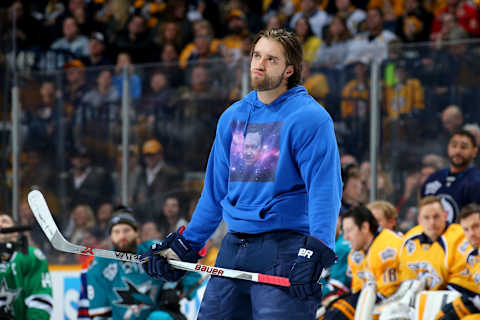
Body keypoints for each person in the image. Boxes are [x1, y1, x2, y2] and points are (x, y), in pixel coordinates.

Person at [141, 28, 342, 320]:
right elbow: (215, 192)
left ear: (290, 70)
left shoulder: (310, 118)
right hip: (233, 248)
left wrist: (318, 248)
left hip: (284, 250)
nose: (259, 64)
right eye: (256, 55)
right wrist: (187, 244)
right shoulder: (232, 117)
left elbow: (325, 189)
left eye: (271, 59)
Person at [86, 206, 200, 319]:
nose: (122, 236)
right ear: (110, 236)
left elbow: (191, 271)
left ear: (137, 232)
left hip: (157, 315)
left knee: (159, 317)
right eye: (116, 232)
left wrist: (174, 289)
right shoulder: (100, 264)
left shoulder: (154, 249)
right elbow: (99, 313)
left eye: (126, 230)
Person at [323, 206, 402, 319]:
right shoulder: (355, 254)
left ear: (365, 227)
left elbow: (389, 293)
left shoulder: (389, 246)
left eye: (349, 230)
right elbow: (358, 290)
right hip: (371, 304)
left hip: (394, 306)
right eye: (344, 232)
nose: (346, 237)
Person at [398, 196, 472, 292]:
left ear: (445, 216)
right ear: (419, 220)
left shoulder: (460, 237)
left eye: (436, 217)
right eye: (426, 218)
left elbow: (462, 286)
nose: (432, 222)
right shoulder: (410, 239)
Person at [0, 213, 53, 319]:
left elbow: (40, 301)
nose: (0, 224)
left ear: (15, 232)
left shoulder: (31, 256)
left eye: (4, 221)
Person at [421, 129, 480, 223]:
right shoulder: (433, 179)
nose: (457, 151)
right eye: (454, 146)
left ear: (475, 152)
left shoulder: (477, 181)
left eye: (463, 147)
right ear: (448, 148)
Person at [435, 203, 480, 319]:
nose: (471, 234)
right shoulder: (472, 257)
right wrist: (467, 303)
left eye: (476, 226)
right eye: (466, 229)